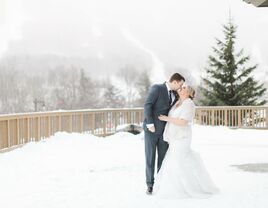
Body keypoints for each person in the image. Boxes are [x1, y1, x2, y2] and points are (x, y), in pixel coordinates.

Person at [155, 83, 219, 198]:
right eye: (181, 87)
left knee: (179, 162)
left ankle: (190, 189)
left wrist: (166, 118)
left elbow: (183, 122)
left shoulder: (189, 104)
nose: (181, 88)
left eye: (184, 88)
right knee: (174, 162)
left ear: (189, 93)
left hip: (182, 138)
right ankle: (175, 189)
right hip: (174, 138)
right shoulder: (177, 103)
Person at [143, 73, 185, 195]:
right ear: (175, 82)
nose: (180, 87)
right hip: (152, 129)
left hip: (165, 132)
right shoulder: (157, 88)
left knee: (163, 158)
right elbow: (147, 105)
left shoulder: (175, 94)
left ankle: (161, 183)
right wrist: (150, 123)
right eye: (180, 84)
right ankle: (150, 185)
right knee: (150, 158)